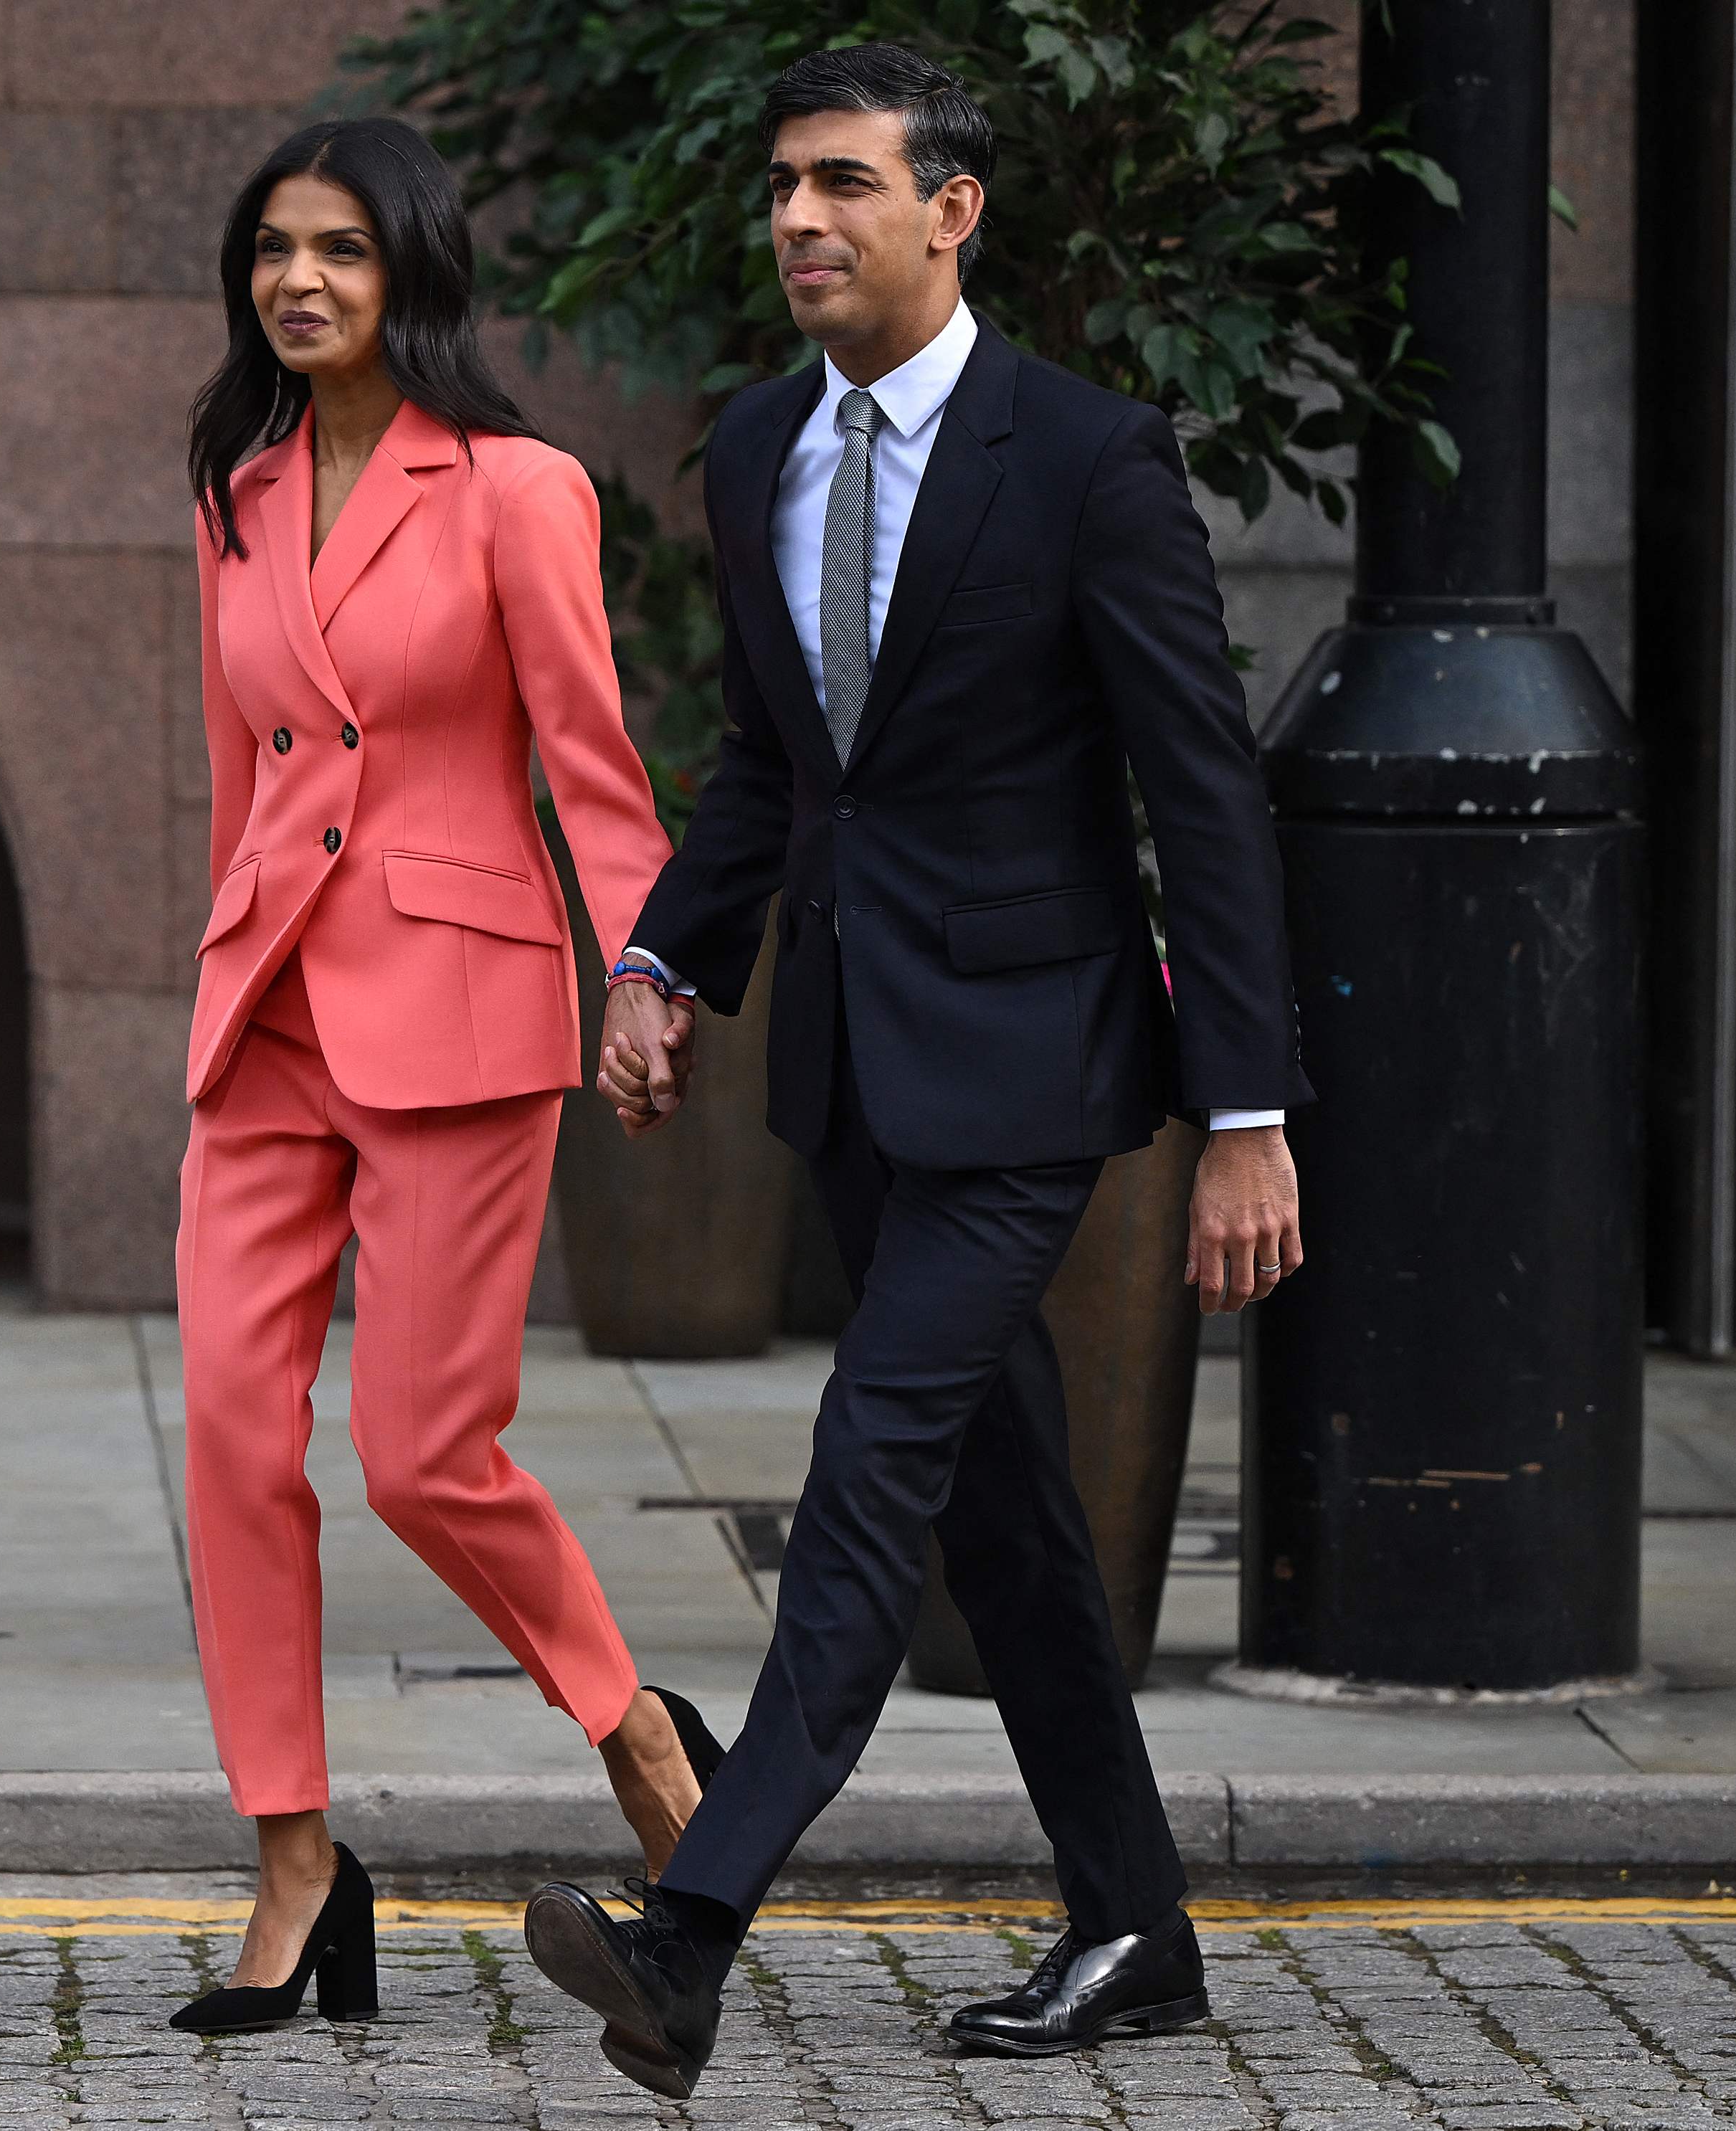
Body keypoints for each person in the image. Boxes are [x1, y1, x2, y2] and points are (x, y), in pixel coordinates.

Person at [518, 45, 1312, 2096]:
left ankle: (689, 1927)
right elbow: (777, 769)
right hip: (855, 1071)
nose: (797, 218)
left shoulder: (1085, 458)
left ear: (952, 210)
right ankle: (1133, 1919)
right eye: (781, 183)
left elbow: (1196, 795)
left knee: (869, 1466)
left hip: (1035, 1071)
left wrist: (1243, 1108)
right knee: (1011, 1516)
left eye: (842, 184)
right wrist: (663, 958)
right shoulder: (761, 443)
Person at [171, 115, 724, 2036]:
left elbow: (591, 761)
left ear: (409, 268)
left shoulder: (513, 489)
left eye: (337, 246)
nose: (298, 280)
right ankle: (295, 1857)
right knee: (233, 1439)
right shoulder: (230, 492)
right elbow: (247, 781)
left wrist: (641, 970)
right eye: (270, 249)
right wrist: (220, 968)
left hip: (460, 1016)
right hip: (269, 1025)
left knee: (421, 1451)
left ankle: (635, 1727)